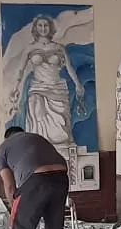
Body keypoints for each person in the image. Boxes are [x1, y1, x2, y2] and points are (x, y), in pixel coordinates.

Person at [6, 14, 86, 146]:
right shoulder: (30, 48)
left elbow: (70, 68)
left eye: (45, 25)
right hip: (38, 87)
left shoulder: (59, 48)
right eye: (40, 25)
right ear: (36, 29)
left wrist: (78, 85)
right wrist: (15, 87)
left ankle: (60, 144)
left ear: (50, 28)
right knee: (35, 108)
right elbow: (20, 70)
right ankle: (39, 145)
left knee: (60, 122)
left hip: (57, 88)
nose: (43, 28)